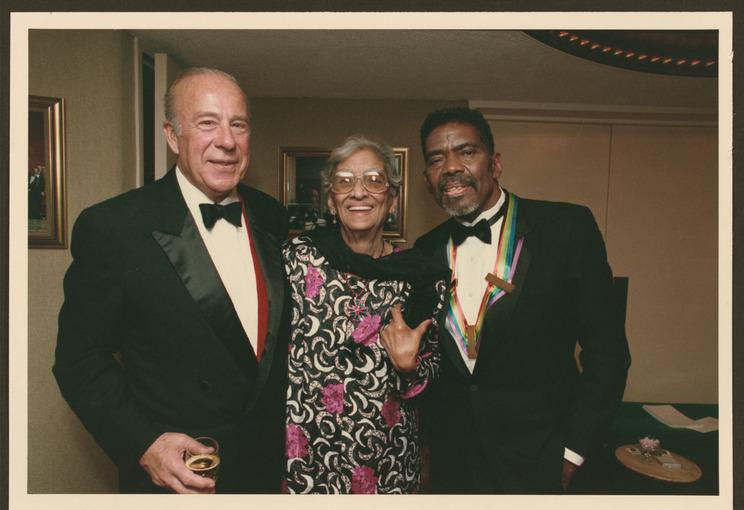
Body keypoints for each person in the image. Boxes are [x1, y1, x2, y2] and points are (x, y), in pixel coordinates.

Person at [53, 68, 290, 494]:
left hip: (267, 473)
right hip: (177, 477)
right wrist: (144, 444)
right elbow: (79, 360)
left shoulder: (271, 216)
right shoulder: (114, 226)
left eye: (238, 124)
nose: (227, 141)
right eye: (206, 123)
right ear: (171, 136)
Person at [414, 107, 631, 494]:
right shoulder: (425, 250)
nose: (450, 167)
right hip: (455, 466)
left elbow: (609, 352)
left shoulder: (567, 230)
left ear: (495, 164)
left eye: (467, 152)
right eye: (436, 158)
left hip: (542, 462)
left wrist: (573, 451)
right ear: (427, 179)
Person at [283, 135, 449, 494]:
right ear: (331, 200)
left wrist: (411, 367)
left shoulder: (421, 277)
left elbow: (437, 371)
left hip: (387, 463)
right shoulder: (296, 259)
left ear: (391, 199)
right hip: (307, 460)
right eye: (344, 181)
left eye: (374, 180)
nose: (358, 192)